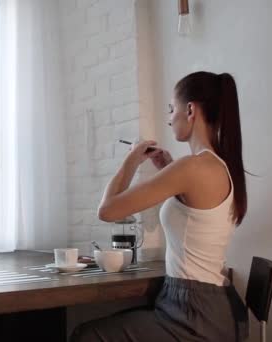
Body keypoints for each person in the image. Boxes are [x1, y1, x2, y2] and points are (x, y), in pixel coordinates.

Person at [71, 71, 249, 342]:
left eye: (171, 109)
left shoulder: (193, 166)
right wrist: (167, 167)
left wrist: (132, 160)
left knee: (86, 336)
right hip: (210, 306)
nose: (168, 119)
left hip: (196, 314)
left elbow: (107, 210)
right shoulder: (217, 166)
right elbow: (197, 213)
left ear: (190, 110)